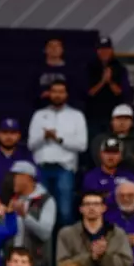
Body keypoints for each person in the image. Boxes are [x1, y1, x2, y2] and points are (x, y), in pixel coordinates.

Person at [55, 191, 134, 266]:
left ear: (103, 208)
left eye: (96, 204)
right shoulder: (67, 234)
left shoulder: (117, 234)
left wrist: (103, 257)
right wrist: (91, 257)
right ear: (81, 209)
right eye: (87, 204)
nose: (91, 207)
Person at [28, 79, 88, 227]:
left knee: (65, 213)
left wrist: (59, 138)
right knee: (39, 213)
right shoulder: (39, 115)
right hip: (41, 169)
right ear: (49, 93)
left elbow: (82, 145)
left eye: (61, 92)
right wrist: (44, 137)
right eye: (54, 91)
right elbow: (30, 144)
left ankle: (64, 249)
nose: (57, 95)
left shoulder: (76, 115)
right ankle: (41, 250)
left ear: (66, 94)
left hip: (64, 169)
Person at [1, 162, 56, 266]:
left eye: (14, 177)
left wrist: (25, 216)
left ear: (26, 177)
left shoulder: (46, 200)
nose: (10, 181)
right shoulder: (10, 199)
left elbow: (45, 233)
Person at [82, 33, 131, 141]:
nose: (104, 52)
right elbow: (89, 92)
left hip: (113, 116)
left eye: (107, 49)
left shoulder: (120, 68)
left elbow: (121, 92)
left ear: (111, 50)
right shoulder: (89, 68)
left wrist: (110, 81)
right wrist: (102, 81)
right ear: (97, 51)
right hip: (93, 115)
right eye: (101, 49)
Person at [80, 137, 134, 205]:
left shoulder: (129, 177)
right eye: (107, 152)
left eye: (115, 152)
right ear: (100, 154)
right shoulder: (91, 177)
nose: (111, 156)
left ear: (121, 156)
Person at [105, 104, 134, 176]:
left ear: (131, 122)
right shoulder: (102, 138)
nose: (122, 122)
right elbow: (100, 162)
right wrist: (131, 157)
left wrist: (116, 157)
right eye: (119, 118)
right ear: (112, 121)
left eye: (126, 119)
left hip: (133, 177)